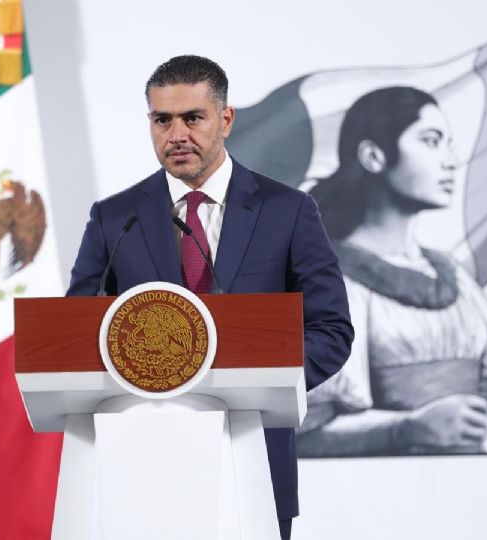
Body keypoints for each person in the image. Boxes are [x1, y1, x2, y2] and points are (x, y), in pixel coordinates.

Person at [66, 55, 354, 539]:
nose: (176, 134)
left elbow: (331, 329)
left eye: (192, 118)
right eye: (162, 120)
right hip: (142, 467)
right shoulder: (115, 219)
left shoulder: (287, 210)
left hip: (254, 458)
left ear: (225, 119)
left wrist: (262, 381)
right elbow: (75, 334)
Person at [297, 86, 487, 456]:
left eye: (449, 144)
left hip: (461, 499)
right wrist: (407, 429)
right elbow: (303, 435)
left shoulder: (453, 277)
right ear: (373, 156)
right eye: (431, 141)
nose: (450, 161)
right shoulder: (328, 279)